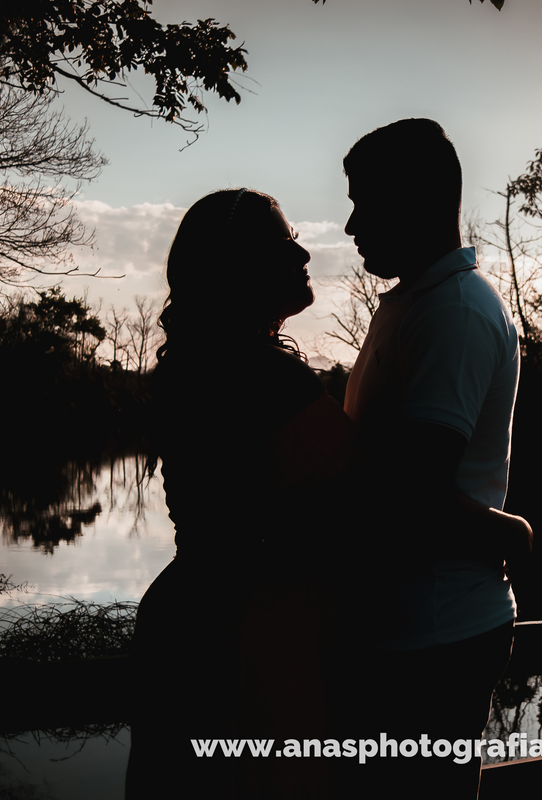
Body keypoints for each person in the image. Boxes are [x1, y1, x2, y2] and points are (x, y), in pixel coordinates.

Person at [126, 188, 348, 799]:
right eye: (283, 243)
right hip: (246, 638)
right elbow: (370, 492)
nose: (303, 253)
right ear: (241, 266)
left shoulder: (198, 364)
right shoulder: (268, 379)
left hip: (188, 619)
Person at [337, 118, 526, 799]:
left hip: (437, 637)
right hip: (401, 630)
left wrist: (517, 531)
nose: (352, 223)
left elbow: (411, 493)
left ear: (415, 201)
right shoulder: (412, 306)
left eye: (365, 201)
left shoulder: (455, 313)